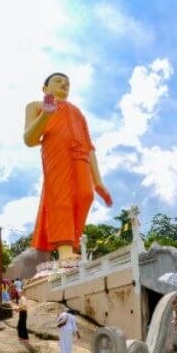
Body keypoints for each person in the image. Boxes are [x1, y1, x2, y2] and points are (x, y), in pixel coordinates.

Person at [24, 72, 113, 262]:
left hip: (80, 155)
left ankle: (72, 245)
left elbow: (89, 147)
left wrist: (98, 181)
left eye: (67, 83)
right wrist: (46, 115)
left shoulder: (78, 113)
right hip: (56, 152)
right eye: (58, 81)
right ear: (45, 88)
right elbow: (29, 139)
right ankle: (65, 249)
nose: (64, 84)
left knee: (85, 195)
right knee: (61, 195)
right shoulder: (36, 106)